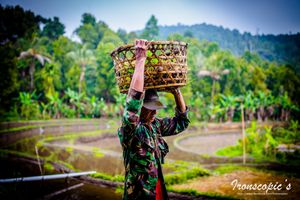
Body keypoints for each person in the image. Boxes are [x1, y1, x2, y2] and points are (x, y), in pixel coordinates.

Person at [118, 39, 190, 200]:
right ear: (140, 108)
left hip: (157, 193)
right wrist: (140, 60)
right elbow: (132, 106)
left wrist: (176, 92)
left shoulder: (155, 126)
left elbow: (182, 122)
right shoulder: (130, 131)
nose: (154, 113)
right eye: (149, 109)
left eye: (155, 109)